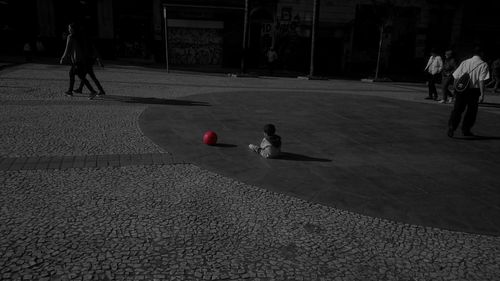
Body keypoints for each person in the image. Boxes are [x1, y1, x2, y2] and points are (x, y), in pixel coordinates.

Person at [447, 46, 490, 137]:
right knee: (471, 112)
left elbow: (456, 76)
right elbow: (481, 80)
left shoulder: (465, 62)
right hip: (474, 91)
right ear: (481, 53)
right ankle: (466, 130)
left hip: (461, 90)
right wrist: (482, 94)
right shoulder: (483, 64)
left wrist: (456, 89)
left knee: (457, 110)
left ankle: (451, 127)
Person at [59, 23, 97, 99]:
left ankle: (92, 91)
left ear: (73, 29)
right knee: (74, 74)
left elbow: (67, 49)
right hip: (82, 60)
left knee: (80, 76)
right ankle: (70, 91)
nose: (68, 30)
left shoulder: (70, 37)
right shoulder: (80, 36)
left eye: (70, 28)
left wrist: (63, 58)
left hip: (77, 60)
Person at [74, 29, 106, 96]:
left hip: (88, 61)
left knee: (87, 76)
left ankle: (101, 90)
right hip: (88, 61)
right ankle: (80, 89)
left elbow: (95, 52)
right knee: (85, 75)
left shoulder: (87, 41)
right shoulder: (87, 41)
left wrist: (99, 61)